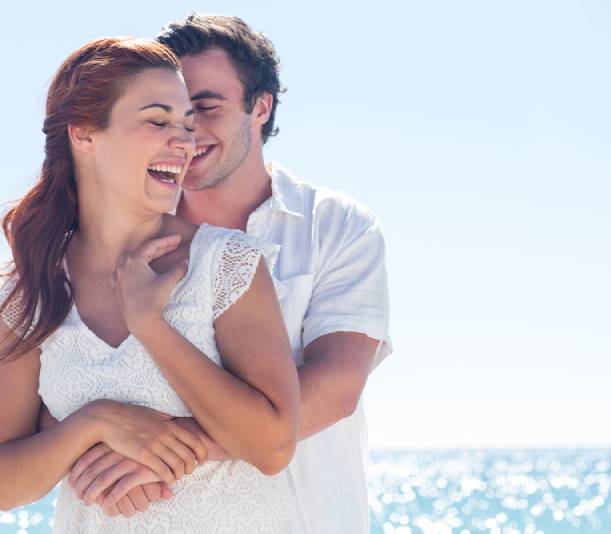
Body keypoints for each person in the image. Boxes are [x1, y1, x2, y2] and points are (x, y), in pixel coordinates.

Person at [65, 13, 393, 533]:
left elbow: (337, 386)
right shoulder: (117, 241)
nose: (185, 131)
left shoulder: (336, 225)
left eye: (204, 108)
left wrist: (162, 447)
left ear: (259, 107)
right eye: (167, 112)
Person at [0, 37, 305, 532]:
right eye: (158, 121)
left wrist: (150, 324)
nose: (184, 142)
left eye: (188, 123)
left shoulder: (225, 263)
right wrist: (95, 422)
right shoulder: (31, 289)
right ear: (84, 135)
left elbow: (273, 445)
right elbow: (7, 484)